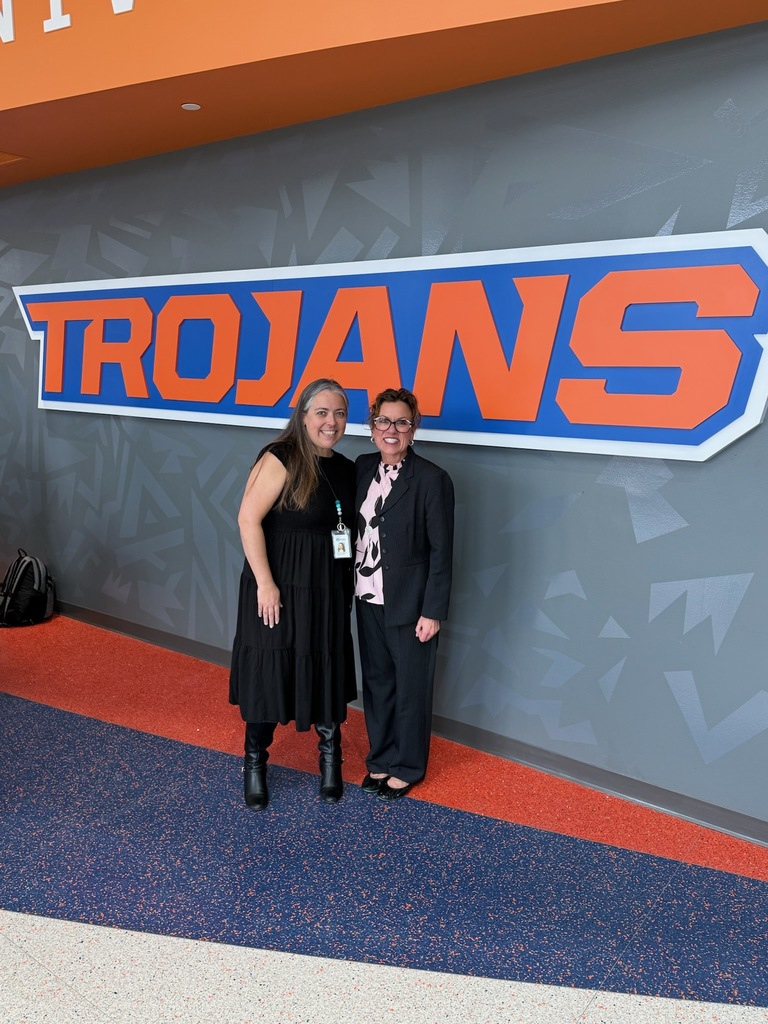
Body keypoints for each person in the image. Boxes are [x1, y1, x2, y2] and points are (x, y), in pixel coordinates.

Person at [229, 378, 357, 810]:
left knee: (325, 665)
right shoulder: (280, 457)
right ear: (302, 416)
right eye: (321, 412)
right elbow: (248, 520)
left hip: (326, 589)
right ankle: (254, 763)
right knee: (270, 668)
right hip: (277, 586)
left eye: (339, 413)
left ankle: (330, 760)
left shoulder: (345, 468)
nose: (331, 421)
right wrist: (266, 583)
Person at [354, 387, 454, 800]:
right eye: (383, 421)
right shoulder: (360, 468)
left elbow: (442, 552)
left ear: (414, 428)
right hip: (366, 597)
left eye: (401, 422)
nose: (391, 430)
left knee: (411, 689)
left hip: (411, 607)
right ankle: (380, 758)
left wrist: (433, 611)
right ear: (371, 425)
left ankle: (407, 765)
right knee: (377, 685)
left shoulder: (432, 479)